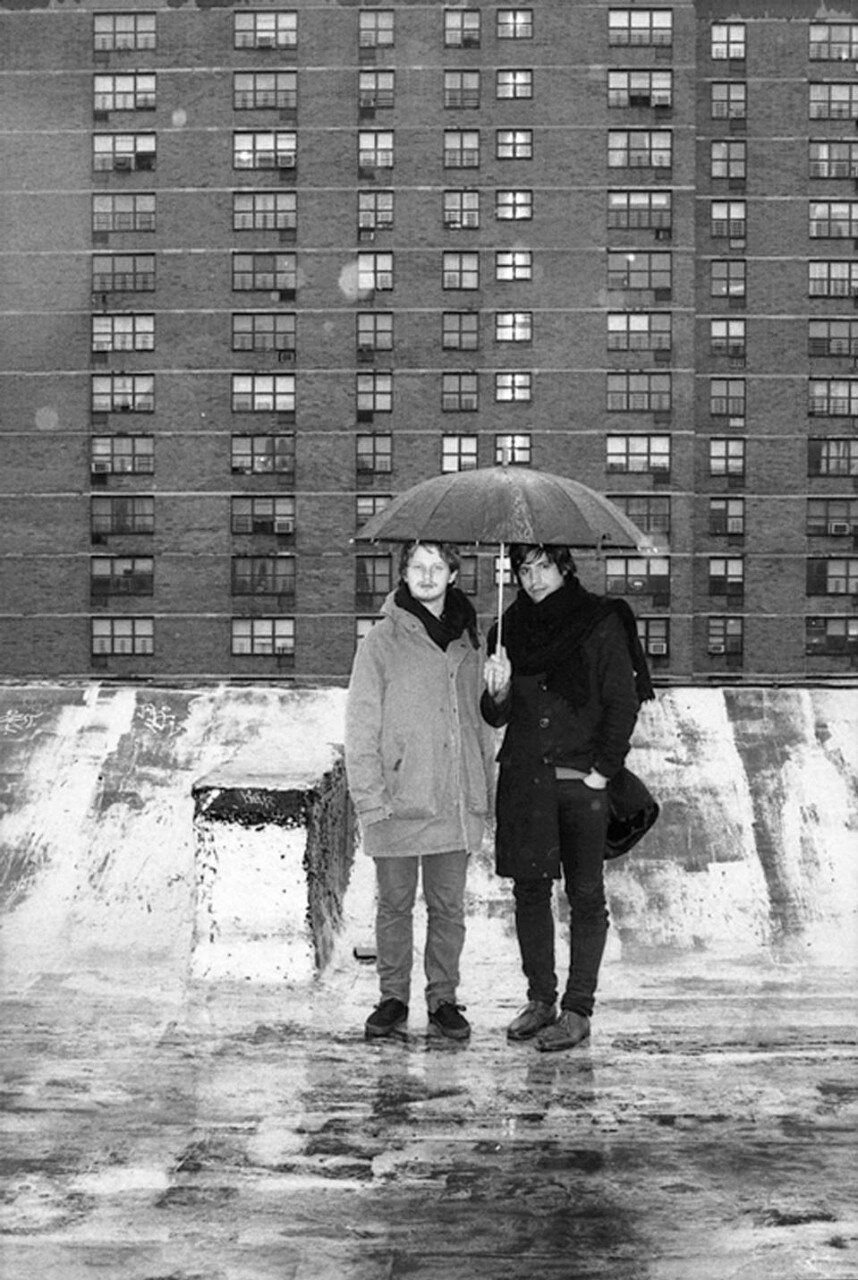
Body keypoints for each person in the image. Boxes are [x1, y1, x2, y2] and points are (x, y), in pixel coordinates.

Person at [481, 544, 654, 1052]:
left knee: (585, 896)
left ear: (564, 569)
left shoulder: (600, 621)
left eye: (542, 567)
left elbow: (622, 701)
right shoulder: (506, 631)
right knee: (530, 891)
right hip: (525, 778)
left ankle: (578, 1009)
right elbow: (496, 717)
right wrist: (497, 691)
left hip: (582, 781)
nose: (532, 579)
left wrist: (602, 772)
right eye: (523, 569)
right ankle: (541, 1000)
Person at [345, 541, 495, 1042]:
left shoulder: (469, 639)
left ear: (453, 574)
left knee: (449, 906)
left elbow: (481, 720)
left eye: (437, 567)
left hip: (452, 798)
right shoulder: (381, 641)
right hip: (398, 797)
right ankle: (392, 998)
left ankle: (443, 999)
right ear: (404, 574)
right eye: (417, 566)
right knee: (394, 904)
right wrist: (369, 796)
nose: (427, 575)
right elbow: (361, 724)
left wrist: (499, 691)